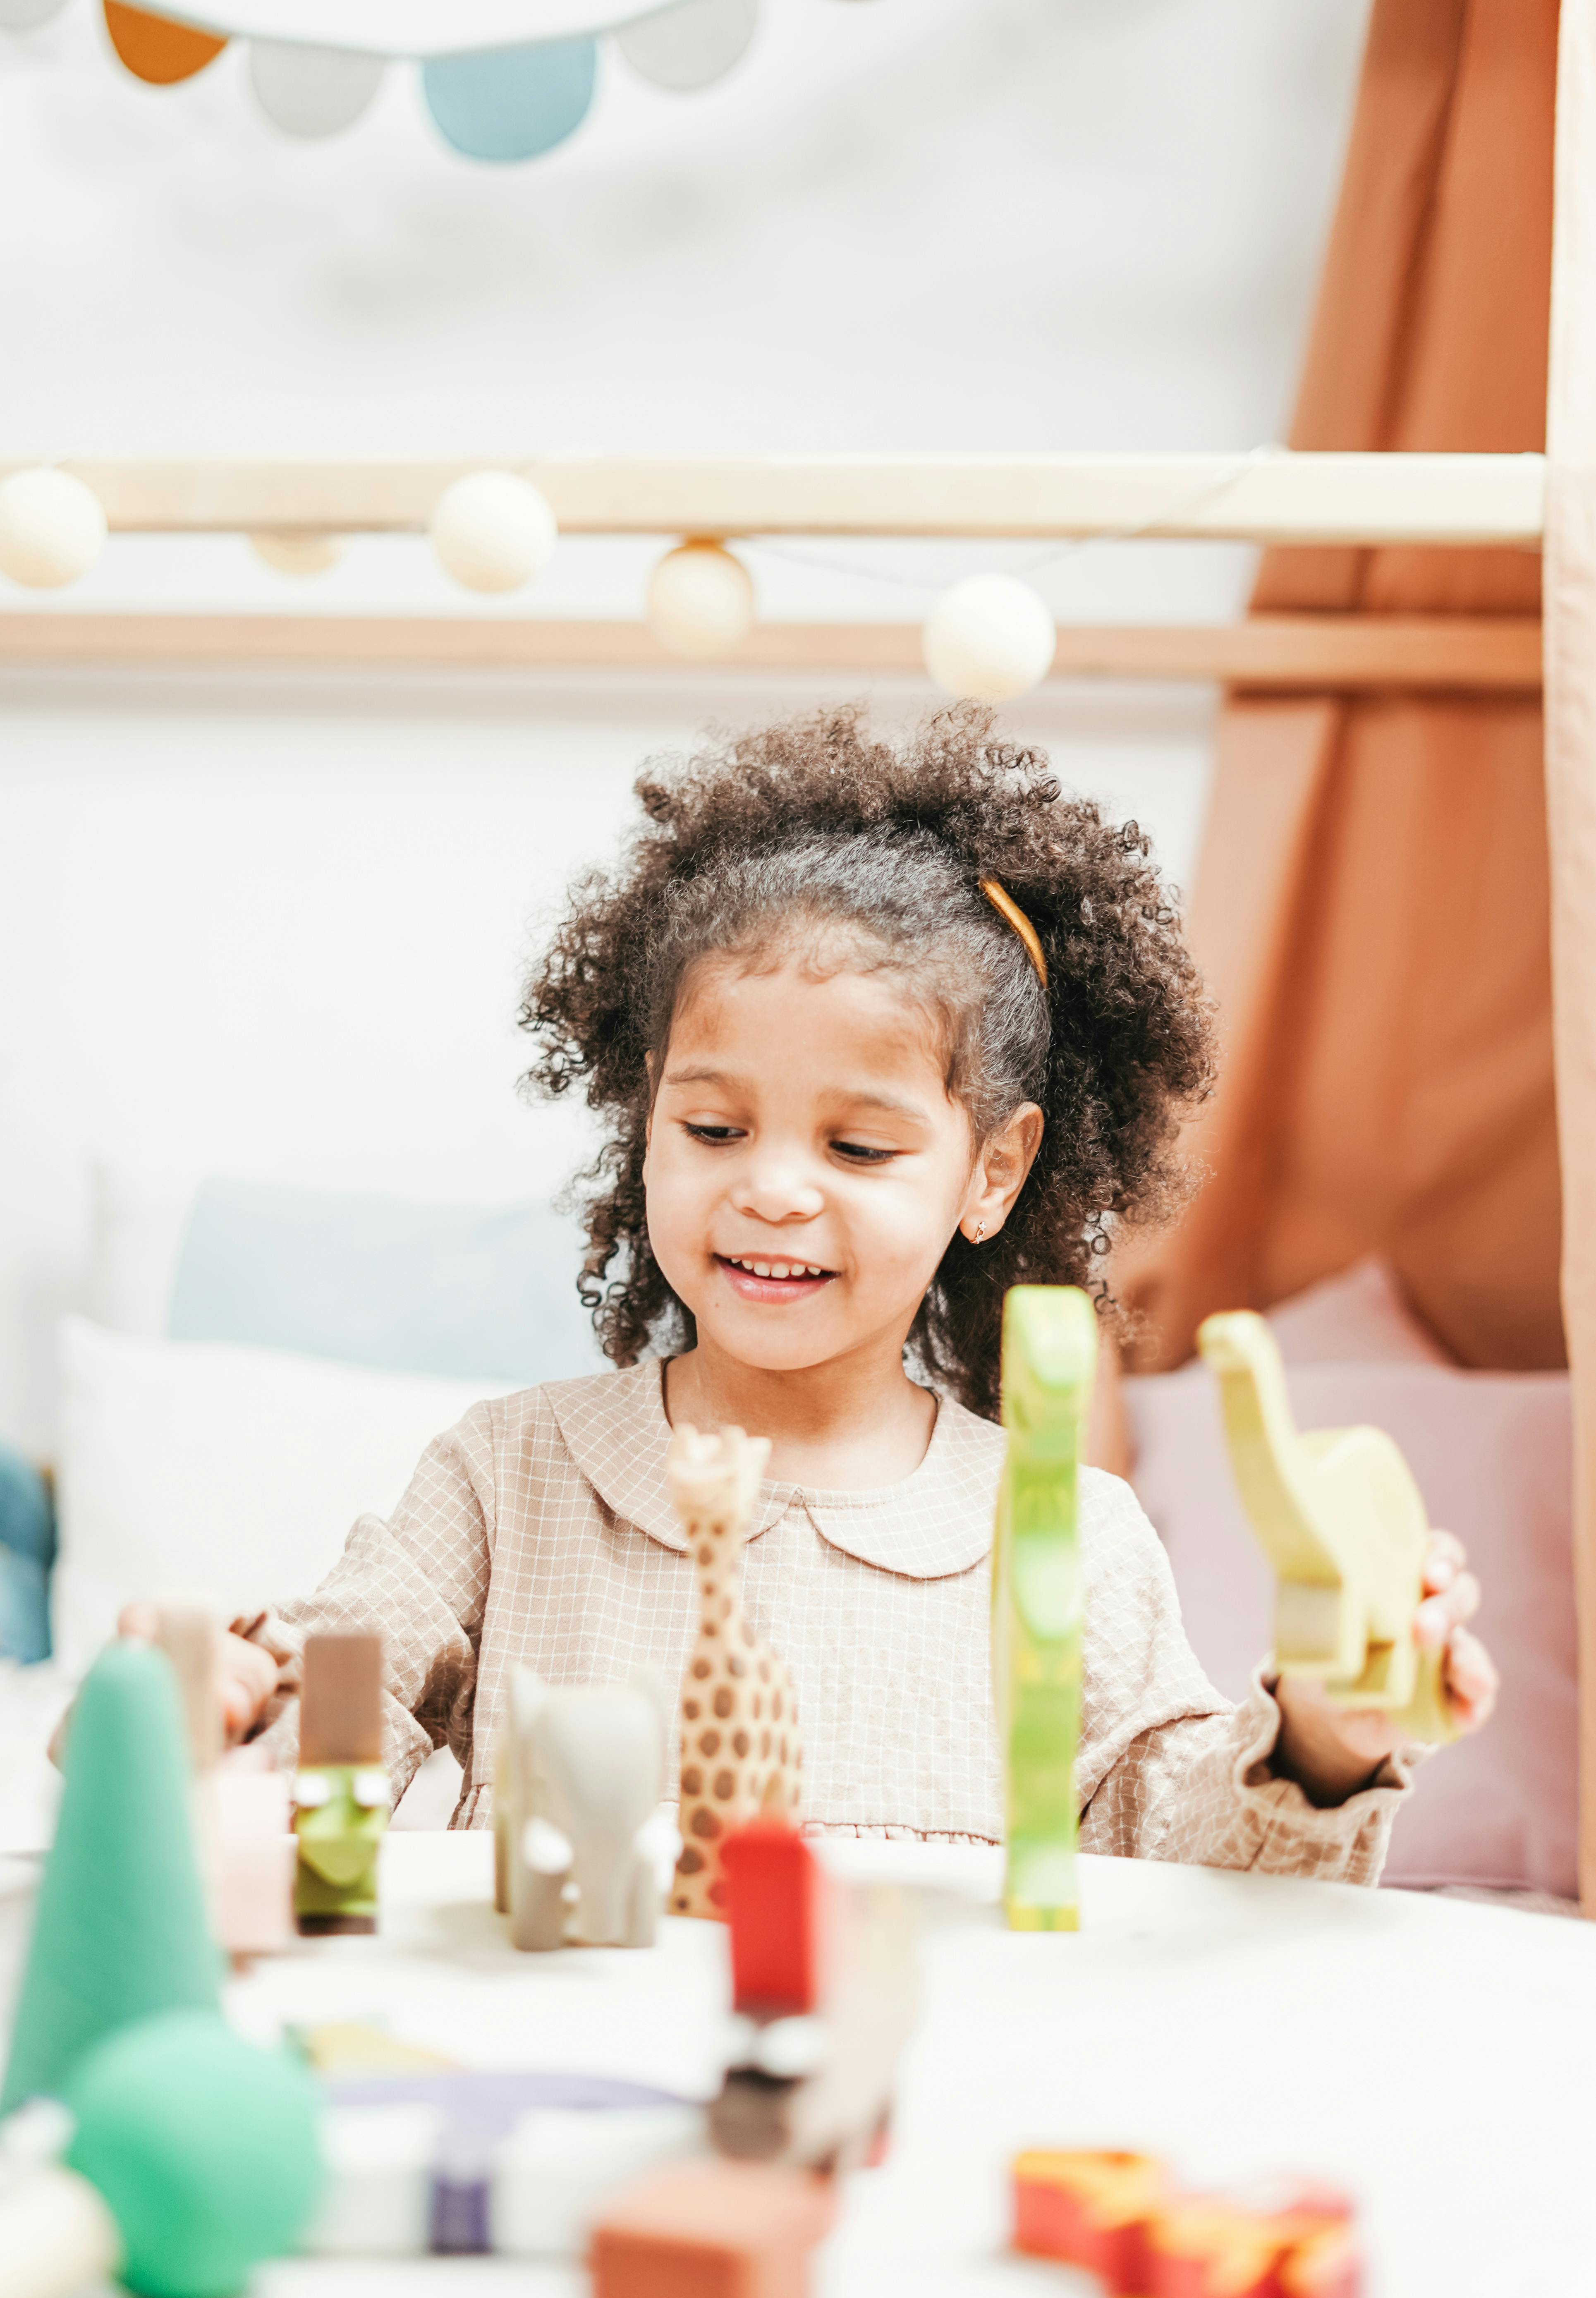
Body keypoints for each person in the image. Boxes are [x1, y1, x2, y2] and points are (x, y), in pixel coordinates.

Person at [202, 706, 1496, 1877]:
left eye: (857, 1147)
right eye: (712, 1129)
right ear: (645, 1110)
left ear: (991, 1171)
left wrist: (1323, 1738)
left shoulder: (1062, 1534)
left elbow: (1191, 1848)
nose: (770, 1190)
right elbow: (332, 1722)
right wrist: (226, 1700)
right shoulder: (510, 1472)